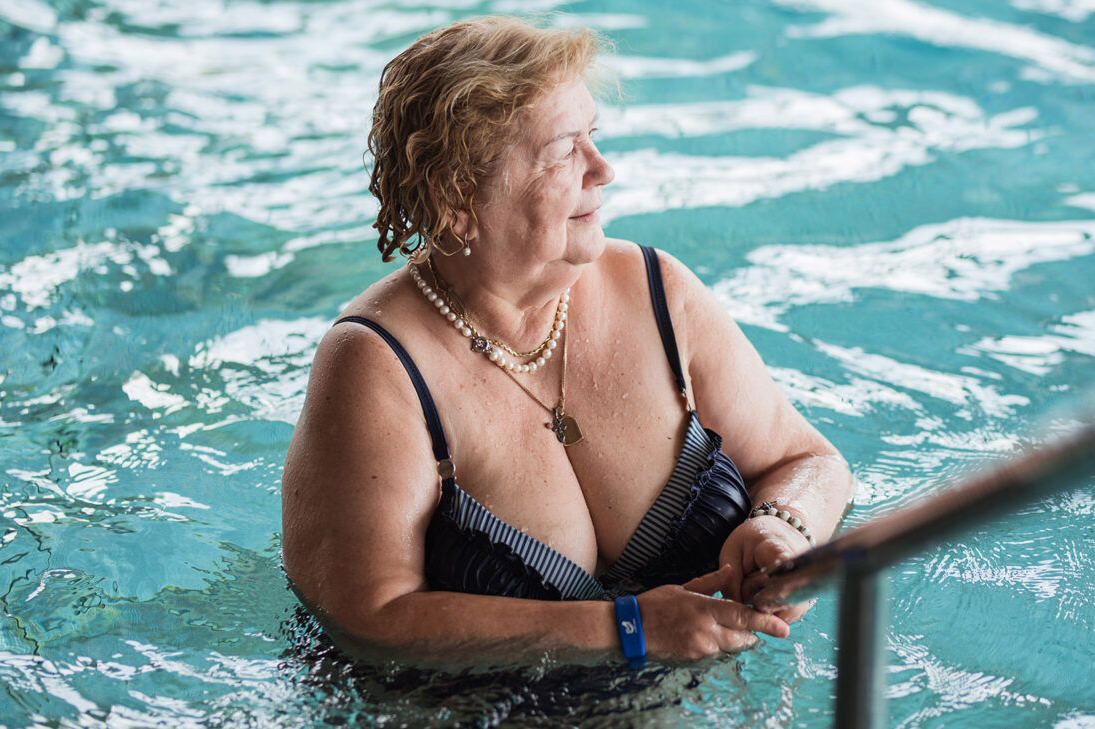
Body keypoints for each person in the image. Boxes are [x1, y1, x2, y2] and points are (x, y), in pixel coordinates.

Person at [281, 16, 855, 666]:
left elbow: (811, 460)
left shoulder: (658, 291)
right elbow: (366, 616)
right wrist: (630, 630)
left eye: (594, 136)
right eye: (562, 151)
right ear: (459, 197)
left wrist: (784, 525)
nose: (602, 169)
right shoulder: (377, 366)